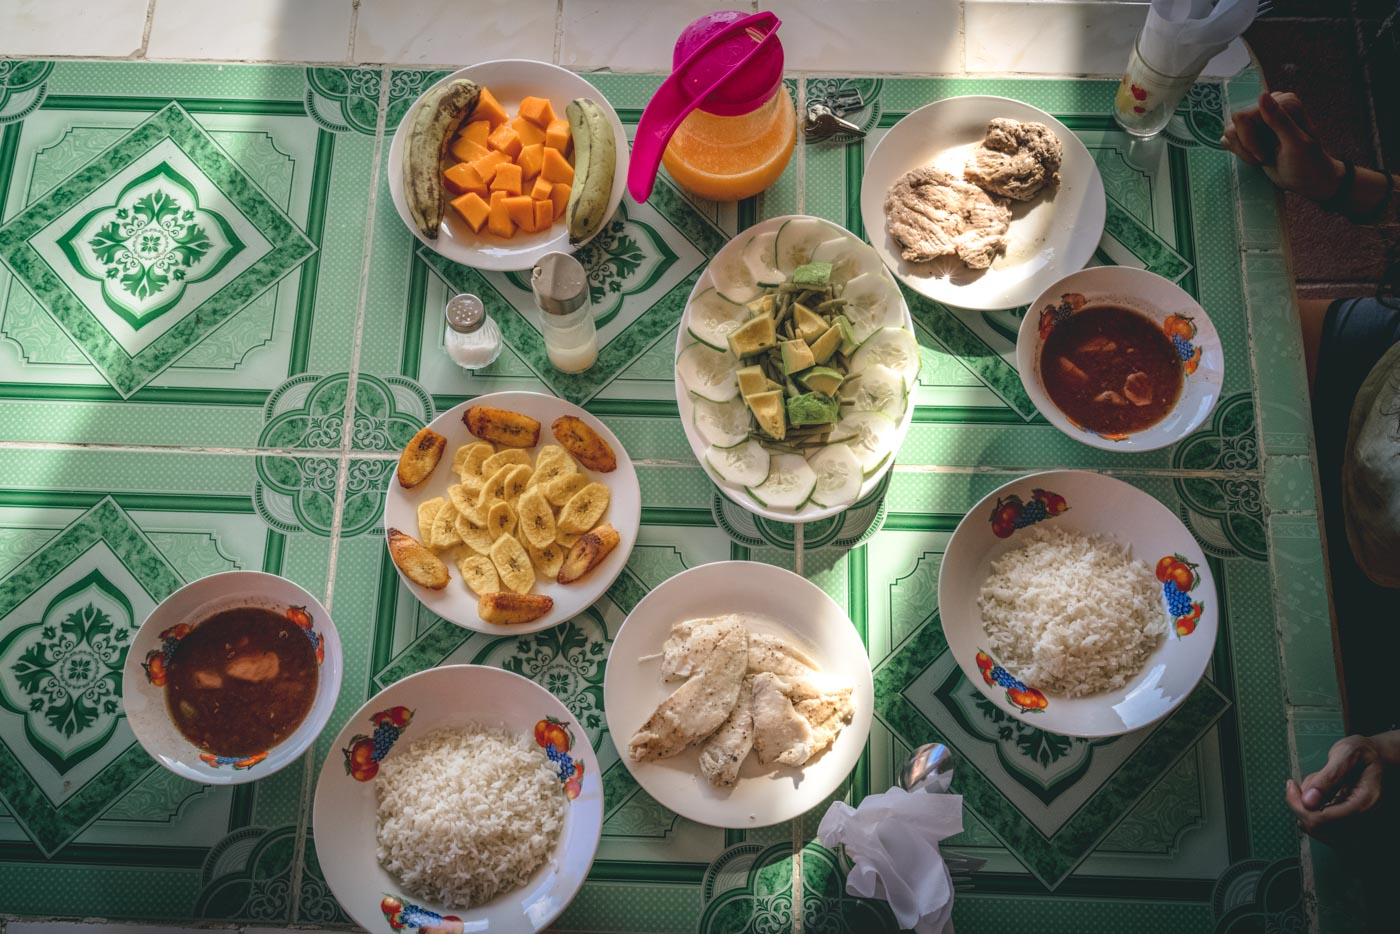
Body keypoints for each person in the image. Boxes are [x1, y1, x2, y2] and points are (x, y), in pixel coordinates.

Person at [1221, 92, 1399, 857]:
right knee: (1222, 326)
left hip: (1382, 584)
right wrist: (1329, 179)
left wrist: (1390, 749)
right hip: (1374, 377)